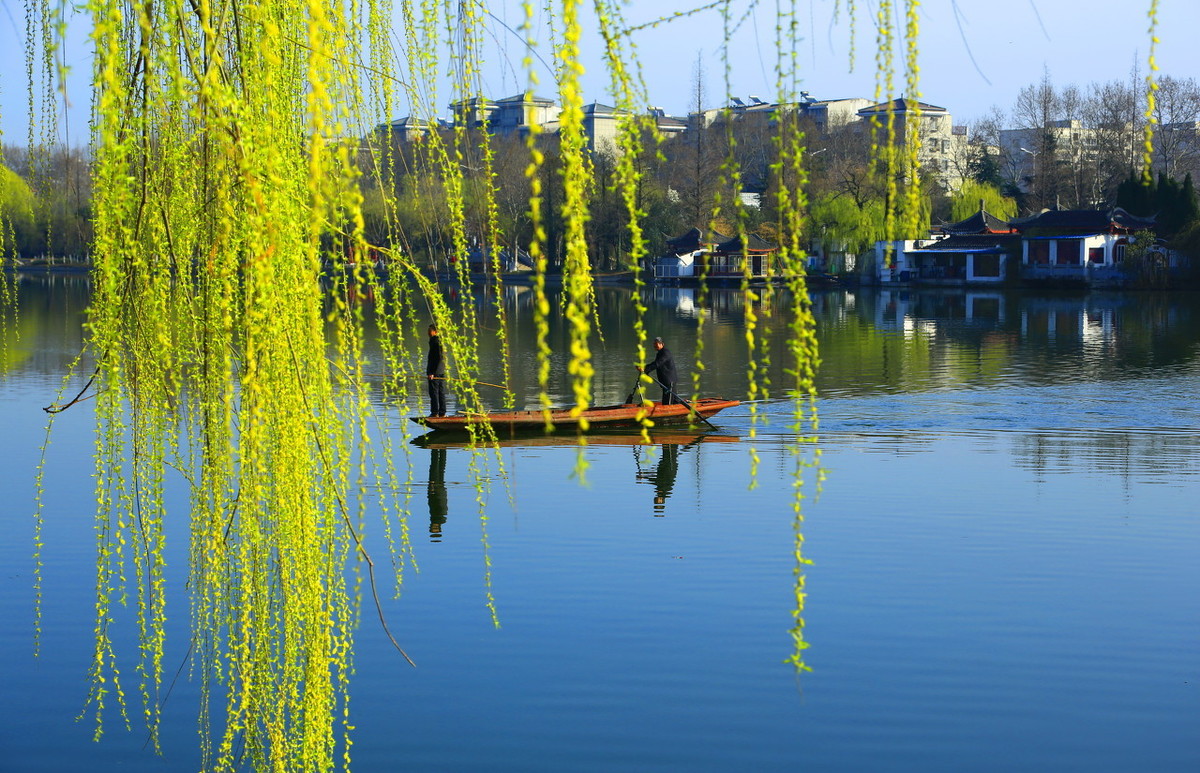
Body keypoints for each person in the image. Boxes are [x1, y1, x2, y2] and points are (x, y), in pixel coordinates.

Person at [639, 336, 678, 405]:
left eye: (657, 344)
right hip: (666, 383)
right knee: (673, 402)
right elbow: (655, 363)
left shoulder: (665, 353)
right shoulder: (660, 353)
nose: (655, 345)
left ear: (662, 344)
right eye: (654, 344)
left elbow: (658, 363)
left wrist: (645, 369)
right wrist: (645, 368)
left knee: (667, 405)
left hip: (669, 383)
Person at [426, 323, 446, 417]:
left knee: (434, 392)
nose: (428, 332)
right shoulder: (439, 341)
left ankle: (435, 413)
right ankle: (442, 412)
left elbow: (437, 358)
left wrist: (432, 372)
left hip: (436, 372)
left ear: (435, 331)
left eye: (430, 330)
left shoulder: (436, 341)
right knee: (440, 392)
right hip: (441, 371)